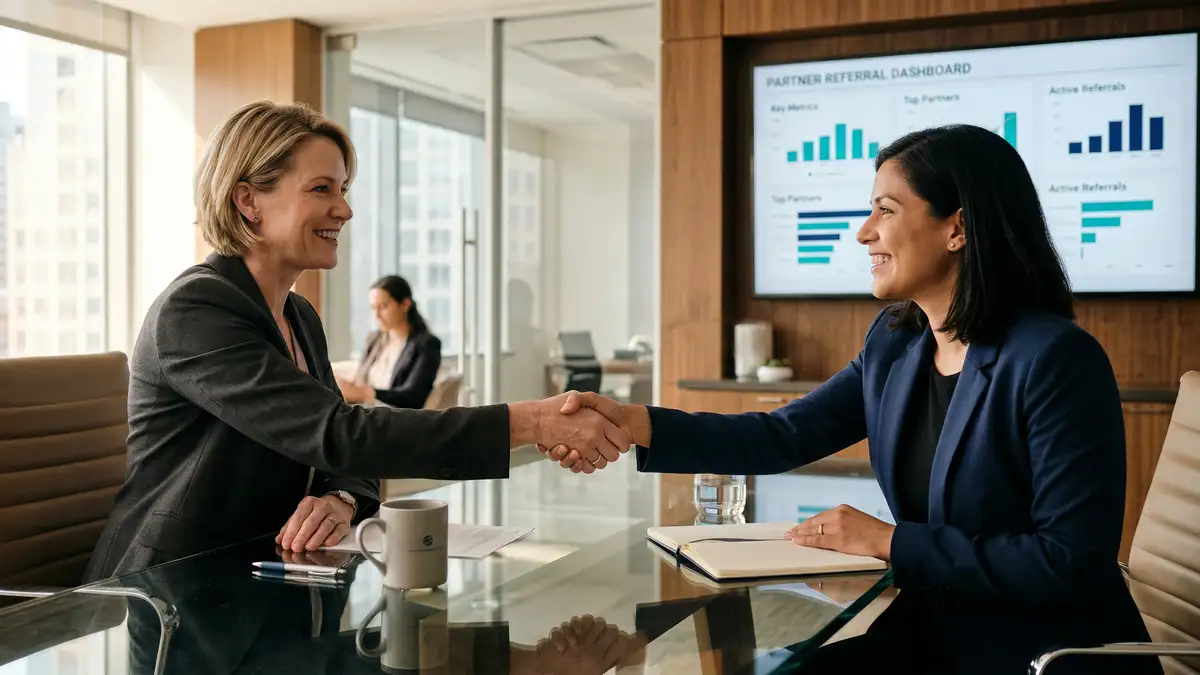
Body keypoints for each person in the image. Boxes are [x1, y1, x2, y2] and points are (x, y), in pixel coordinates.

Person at [543, 126, 1161, 675]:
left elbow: (1071, 563)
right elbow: (781, 434)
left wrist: (889, 542)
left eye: (885, 211)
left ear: (959, 228)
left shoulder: (1055, 359)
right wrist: (637, 422)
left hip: (1033, 654)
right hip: (933, 635)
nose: (864, 232)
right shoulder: (897, 344)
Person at [84, 101, 629, 583]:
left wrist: (340, 497)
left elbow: (344, 456)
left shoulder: (298, 315)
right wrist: (531, 421)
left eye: (343, 190)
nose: (344, 209)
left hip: (268, 577)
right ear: (248, 199)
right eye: (322, 189)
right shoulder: (197, 309)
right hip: (170, 591)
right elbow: (341, 432)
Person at [336, 275, 440, 408]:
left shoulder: (427, 344)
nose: (376, 316)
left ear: (405, 304)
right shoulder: (374, 339)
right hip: (364, 412)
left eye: (383, 307)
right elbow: (360, 380)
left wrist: (366, 393)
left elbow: (414, 396)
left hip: (394, 417)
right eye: (373, 308)